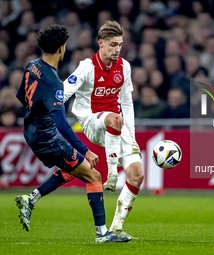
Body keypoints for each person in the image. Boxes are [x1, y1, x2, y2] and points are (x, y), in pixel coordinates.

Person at [15, 24, 130, 244]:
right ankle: (102, 234)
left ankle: (30, 199)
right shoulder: (54, 82)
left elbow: (22, 95)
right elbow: (61, 123)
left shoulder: (32, 65)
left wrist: (37, 112)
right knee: (93, 176)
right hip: (46, 135)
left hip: (30, 129)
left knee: (76, 169)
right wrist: (85, 150)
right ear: (61, 48)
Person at [62, 20, 143, 239]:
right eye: (113, 44)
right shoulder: (86, 67)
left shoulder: (124, 67)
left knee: (137, 175)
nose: (117, 49)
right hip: (91, 120)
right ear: (101, 43)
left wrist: (132, 136)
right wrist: (51, 107)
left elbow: (127, 103)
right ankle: (111, 173)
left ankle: (116, 227)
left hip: (116, 123)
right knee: (115, 119)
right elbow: (64, 91)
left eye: (120, 45)